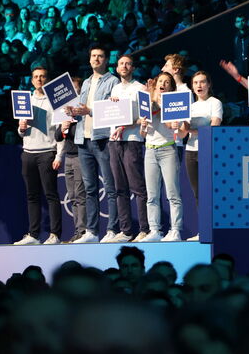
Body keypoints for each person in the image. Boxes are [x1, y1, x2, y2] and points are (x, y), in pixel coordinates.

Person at [68, 45, 120, 243]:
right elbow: (82, 109)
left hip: (103, 139)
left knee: (110, 186)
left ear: (106, 60)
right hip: (83, 139)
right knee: (89, 188)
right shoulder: (87, 82)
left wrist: (89, 111)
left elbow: (113, 110)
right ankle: (91, 231)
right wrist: (72, 111)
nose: (96, 59)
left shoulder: (113, 81)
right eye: (93, 56)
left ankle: (112, 230)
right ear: (89, 59)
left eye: (100, 56)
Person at [15, 67, 63, 245]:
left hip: (47, 153)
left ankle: (55, 235)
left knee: (51, 194)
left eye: (42, 76)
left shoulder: (54, 102)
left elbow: (60, 132)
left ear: (47, 79)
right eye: (36, 77)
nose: (39, 79)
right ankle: (33, 235)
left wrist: (59, 155)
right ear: (32, 80)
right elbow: (21, 132)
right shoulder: (25, 100)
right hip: (28, 153)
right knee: (32, 196)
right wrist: (21, 127)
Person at [136, 72, 187, 242]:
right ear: (156, 85)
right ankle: (155, 231)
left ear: (171, 88)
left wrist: (174, 125)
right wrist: (142, 125)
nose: (163, 84)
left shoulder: (175, 105)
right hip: (150, 151)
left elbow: (178, 133)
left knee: (172, 194)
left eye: (167, 82)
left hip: (168, 150)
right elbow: (143, 134)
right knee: (152, 196)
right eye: (160, 81)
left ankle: (176, 230)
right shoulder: (147, 105)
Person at [106, 54, 149, 243]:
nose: (124, 66)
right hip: (114, 142)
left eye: (128, 64)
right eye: (121, 63)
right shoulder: (114, 88)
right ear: (116, 68)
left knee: (138, 187)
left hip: (132, 140)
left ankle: (144, 229)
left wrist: (125, 125)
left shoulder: (140, 88)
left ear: (133, 68)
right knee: (119, 188)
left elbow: (143, 118)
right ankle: (125, 231)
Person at [55, 76, 86, 243]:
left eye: (75, 89)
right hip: (68, 156)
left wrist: (72, 126)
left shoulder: (82, 110)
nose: (73, 93)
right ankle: (77, 231)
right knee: (73, 196)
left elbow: (83, 134)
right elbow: (58, 137)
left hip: (81, 155)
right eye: (70, 90)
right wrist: (63, 127)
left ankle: (83, 232)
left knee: (81, 196)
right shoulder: (63, 111)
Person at [184, 70, 222, 205]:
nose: (199, 85)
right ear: (192, 86)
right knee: (197, 193)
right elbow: (183, 133)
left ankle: (213, 225)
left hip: (207, 150)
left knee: (209, 191)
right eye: (195, 83)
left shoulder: (215, 103)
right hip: (190, 151)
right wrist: (179, 124)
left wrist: (191, 130)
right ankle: (203, 224)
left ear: (209, 84)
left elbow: (214, 128)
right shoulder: (189, 107)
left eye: (202, 82)